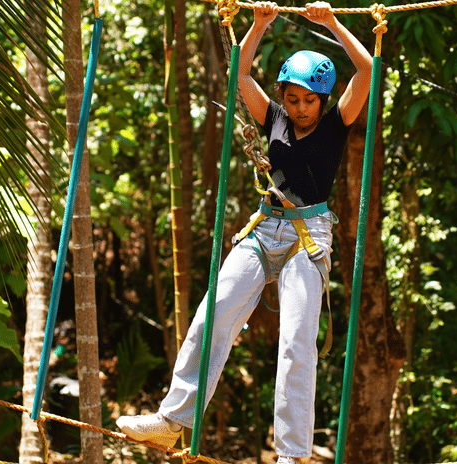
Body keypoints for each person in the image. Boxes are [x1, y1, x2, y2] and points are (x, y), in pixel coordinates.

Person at [116, 2, 372, 463]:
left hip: (309, 234)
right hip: (263, 227)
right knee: (212, 313)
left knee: (296, 344)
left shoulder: (337, 124)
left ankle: (292, 456)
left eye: (308, 100)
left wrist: (331, 22)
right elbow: (239, 74)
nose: (298, 109)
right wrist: (259, 24)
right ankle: (172, 422)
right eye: (292, 99)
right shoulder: (273, 117)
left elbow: (368, 69)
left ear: (324, 99)